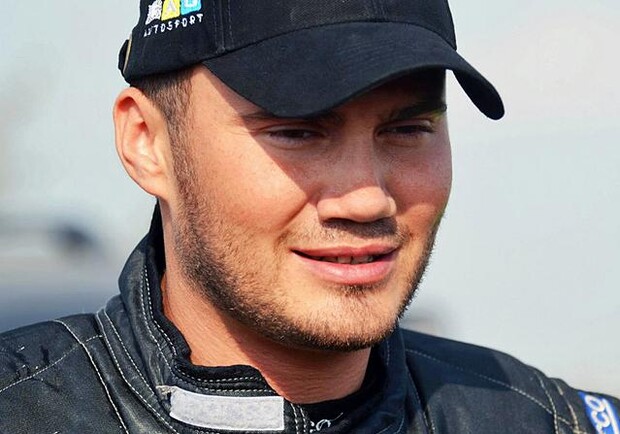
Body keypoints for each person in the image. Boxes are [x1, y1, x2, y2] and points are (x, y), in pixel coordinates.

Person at [0, 0, 618, 432]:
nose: (366, 200)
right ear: (147, 143)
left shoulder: (551, 422)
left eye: (408, 129)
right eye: (296, 131)